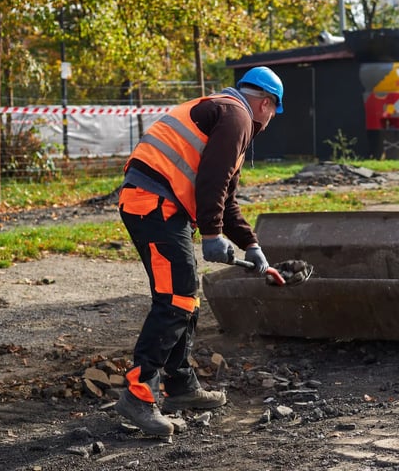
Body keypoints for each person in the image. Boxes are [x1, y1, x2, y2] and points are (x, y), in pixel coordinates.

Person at [114, 66, 284, 436]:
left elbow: (226, 198)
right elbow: (211, 180)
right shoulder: (237, 116)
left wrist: (252, 247)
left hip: (158, 205)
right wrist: (211, 234)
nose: (270, 120)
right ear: (266, 104)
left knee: (184, 298)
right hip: (152, 203)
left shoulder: (224, 114)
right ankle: (138, 394)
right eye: (273, 111)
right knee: (175, 298)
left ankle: (180, 386)